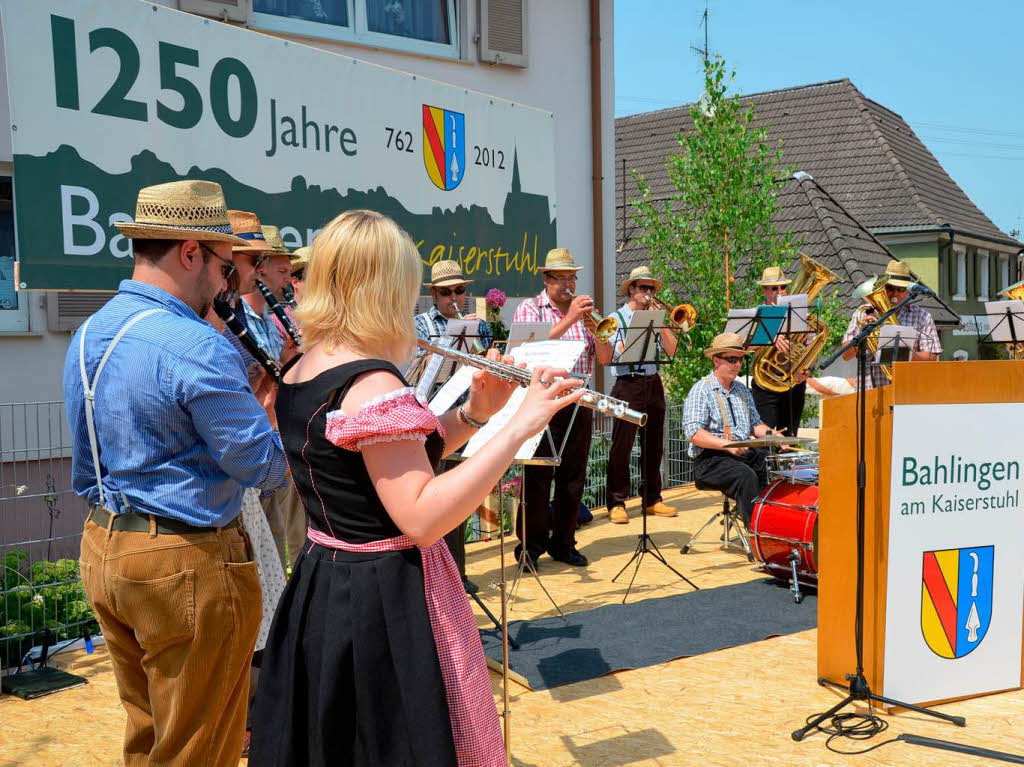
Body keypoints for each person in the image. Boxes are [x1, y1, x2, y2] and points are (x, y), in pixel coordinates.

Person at [249, 209, 583, 766]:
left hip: (324, 579)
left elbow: (382, 463)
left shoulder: (302, 365)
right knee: (391, 741)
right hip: (383, 597)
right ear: (383, 288)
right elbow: (422, 515)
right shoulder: (372, 382)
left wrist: (476, 413)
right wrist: (521, 424)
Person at [65, 180, 288, 766]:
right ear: (190, 252)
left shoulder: (88, 333)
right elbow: (262, 467)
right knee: (199, 747)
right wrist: (280, 411)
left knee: (149, 736)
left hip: (104, 546)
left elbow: (90, 465)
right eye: (222, 266)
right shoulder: (195, 344)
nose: (226, 283)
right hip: (186, 564)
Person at [511, 247, 613, 567]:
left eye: (573, 277)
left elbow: (606, 360)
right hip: (543, 399)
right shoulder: (531, 308)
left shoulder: (583, 315)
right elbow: (526, 350)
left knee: (573, 476)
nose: (569, 284)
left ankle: (564, 542)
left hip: (579, 400)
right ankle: (530, 546)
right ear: (547, 278)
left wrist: (600, 334)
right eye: (562, 278)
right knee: (537, 475)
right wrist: (570, 319)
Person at [605, 265, 678, 524]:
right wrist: (636, 333)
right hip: (627, 382)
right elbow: (617, 353)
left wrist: (663, 324)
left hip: (652, 381)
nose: (648, 292)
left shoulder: (655, 316)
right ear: (632, 290)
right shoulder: (616, 319)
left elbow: (672, 350)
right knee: (621, 446)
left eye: (651, 288)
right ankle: (616, 501)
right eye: (643, 288)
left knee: (654, 445)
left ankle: (652, 498)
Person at [683, 332, 778, 529]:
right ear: (716, 361)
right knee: (746, 476)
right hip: (710, 459)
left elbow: (755, 425)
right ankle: (755, 533)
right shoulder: (701, 389)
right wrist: (727, 445)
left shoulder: (742, 390)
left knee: (771, 465)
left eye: (740, 359)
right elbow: (693, 432)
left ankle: (773, 524)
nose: (737, 365)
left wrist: (773, 436)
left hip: (741, 452)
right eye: (732, 359)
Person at [841, 260, 941, 388]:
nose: (894, 293)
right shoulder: (864, 313)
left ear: (908, 292)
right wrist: (862, 335)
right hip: (870, 392)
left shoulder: (922, 316)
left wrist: (903, 354)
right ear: (882, 287)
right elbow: (845, 356)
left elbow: (932, 357)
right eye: (889, 288)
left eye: (900, 289)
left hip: (907, 390)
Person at [750, 265, 808, 439]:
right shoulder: (756, 315)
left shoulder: (798, 313)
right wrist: (770, 338)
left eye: (783, 287)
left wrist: (805, 369)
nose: (780, 292)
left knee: (790, 437)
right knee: (765, 439)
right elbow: (744, 347)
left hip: (793, 383)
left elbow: (808, 347)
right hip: (765, 384)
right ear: (764, 291)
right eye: (774, 288)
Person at [414, 259, 492, 353]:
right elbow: (420, 364)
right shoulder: (419, 324)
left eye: (459, 290)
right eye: (445, 292)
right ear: (434, 295)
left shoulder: (480, 325)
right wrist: (454, 336)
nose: (454, 297)